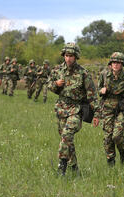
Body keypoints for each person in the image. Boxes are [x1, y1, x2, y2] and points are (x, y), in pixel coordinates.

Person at [47, 42, 99, 175]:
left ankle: (61, 168)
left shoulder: (83, 73)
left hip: (76, 109)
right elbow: (48, 85)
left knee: (66, 135)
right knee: (66, 140)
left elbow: (92, 95)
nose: (68, 58)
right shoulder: (57, 70)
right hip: (61, 109)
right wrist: (55, 84)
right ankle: (74, 168)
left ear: (76, 57)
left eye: (71, 55)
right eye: (66, 55)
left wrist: (97, 114)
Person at [98, 52, 124, 167]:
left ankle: (123, 153)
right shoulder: (104, 74)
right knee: (108, 137)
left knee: (116, 135)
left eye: (118, 63)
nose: (116, 65)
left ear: (122, 64)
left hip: (121, 109)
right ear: (110, 64)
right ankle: (110, 161)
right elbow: (98, 88)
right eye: (114, 62)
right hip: (107, 109)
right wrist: (101, 91)